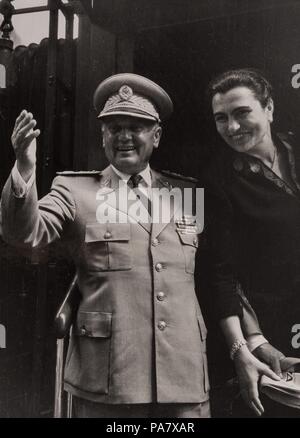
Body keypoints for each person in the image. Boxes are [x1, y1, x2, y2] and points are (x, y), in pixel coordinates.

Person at [1, 73, 213, 418]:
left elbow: (212, 274)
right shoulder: (74, 191)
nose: (124, 136)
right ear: (103, 136)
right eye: (114, 127)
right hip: (110, 383)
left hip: (184, 381)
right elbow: (24, 234)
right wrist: (25, 166)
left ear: (156, 136)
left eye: (137, 127)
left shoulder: (187, 194)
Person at [205, 68, 300, 417]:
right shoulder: (218, 181)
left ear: (269, 108)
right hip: (275, 332)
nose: (232, 127)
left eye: (241, 112)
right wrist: (247, 345)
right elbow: (219, 272)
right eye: (221, 118)